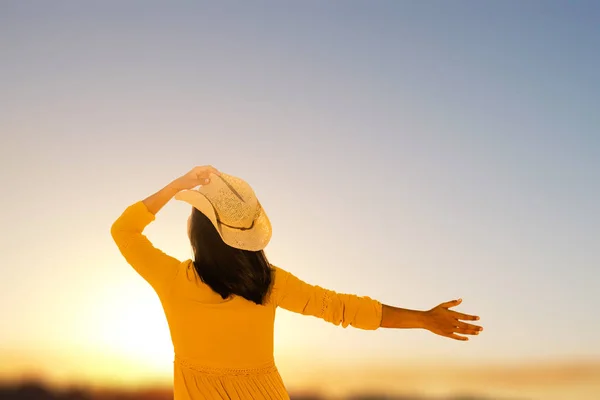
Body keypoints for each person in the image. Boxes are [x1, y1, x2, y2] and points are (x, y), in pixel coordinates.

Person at [111, 165, 483, 400]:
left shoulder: (173, 280)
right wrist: (422, 318)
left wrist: (178, 184)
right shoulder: (267, 283)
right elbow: (343, 309)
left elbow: (124, 230)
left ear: (197, 229)